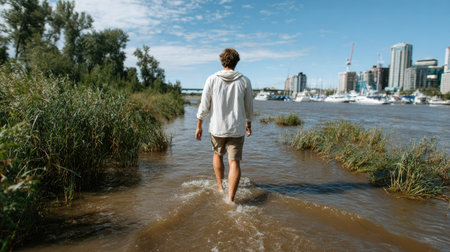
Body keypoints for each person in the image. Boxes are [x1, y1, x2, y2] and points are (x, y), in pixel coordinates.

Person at [195, 48, 253, 204]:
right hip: (237, 128)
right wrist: (248, 124)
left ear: (222, 61)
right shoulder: (244, 81)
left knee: (217, 155)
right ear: (236, 62)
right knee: (234, 162)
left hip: (217, 128)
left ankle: (220, 186)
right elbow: (249, 106)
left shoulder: (212, 79)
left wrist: (199, 125)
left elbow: (204, 105)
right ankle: (230, 200)